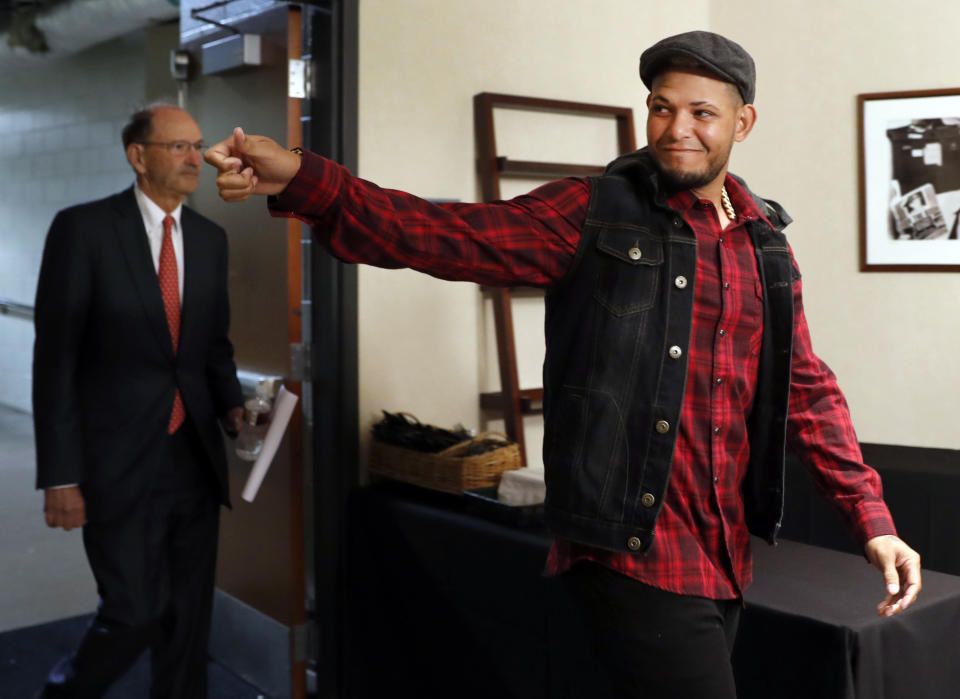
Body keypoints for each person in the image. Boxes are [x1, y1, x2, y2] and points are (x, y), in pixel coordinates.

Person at [204, 31, 921, 699]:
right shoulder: (594, 212)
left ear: (743, 123)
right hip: (630, 550)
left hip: (725, 553)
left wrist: (872, 519)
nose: (678, 129)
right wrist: (302, 178)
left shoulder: (766, 244)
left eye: (703, 112)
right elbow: (439, 234)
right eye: (662, 108)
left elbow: (806, 389)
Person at [33, 104, 244, 699]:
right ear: (138, 156)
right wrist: (60, 475)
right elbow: (57, 362)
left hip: (193, 460)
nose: (193, 158)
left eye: (197, 145)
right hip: (114, 461)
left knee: (186, 620)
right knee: (132, 611)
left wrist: (232, 406)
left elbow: (213, 347)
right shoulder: (84, 231)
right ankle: (62, 693)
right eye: (176, 146)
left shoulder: (210, 239)